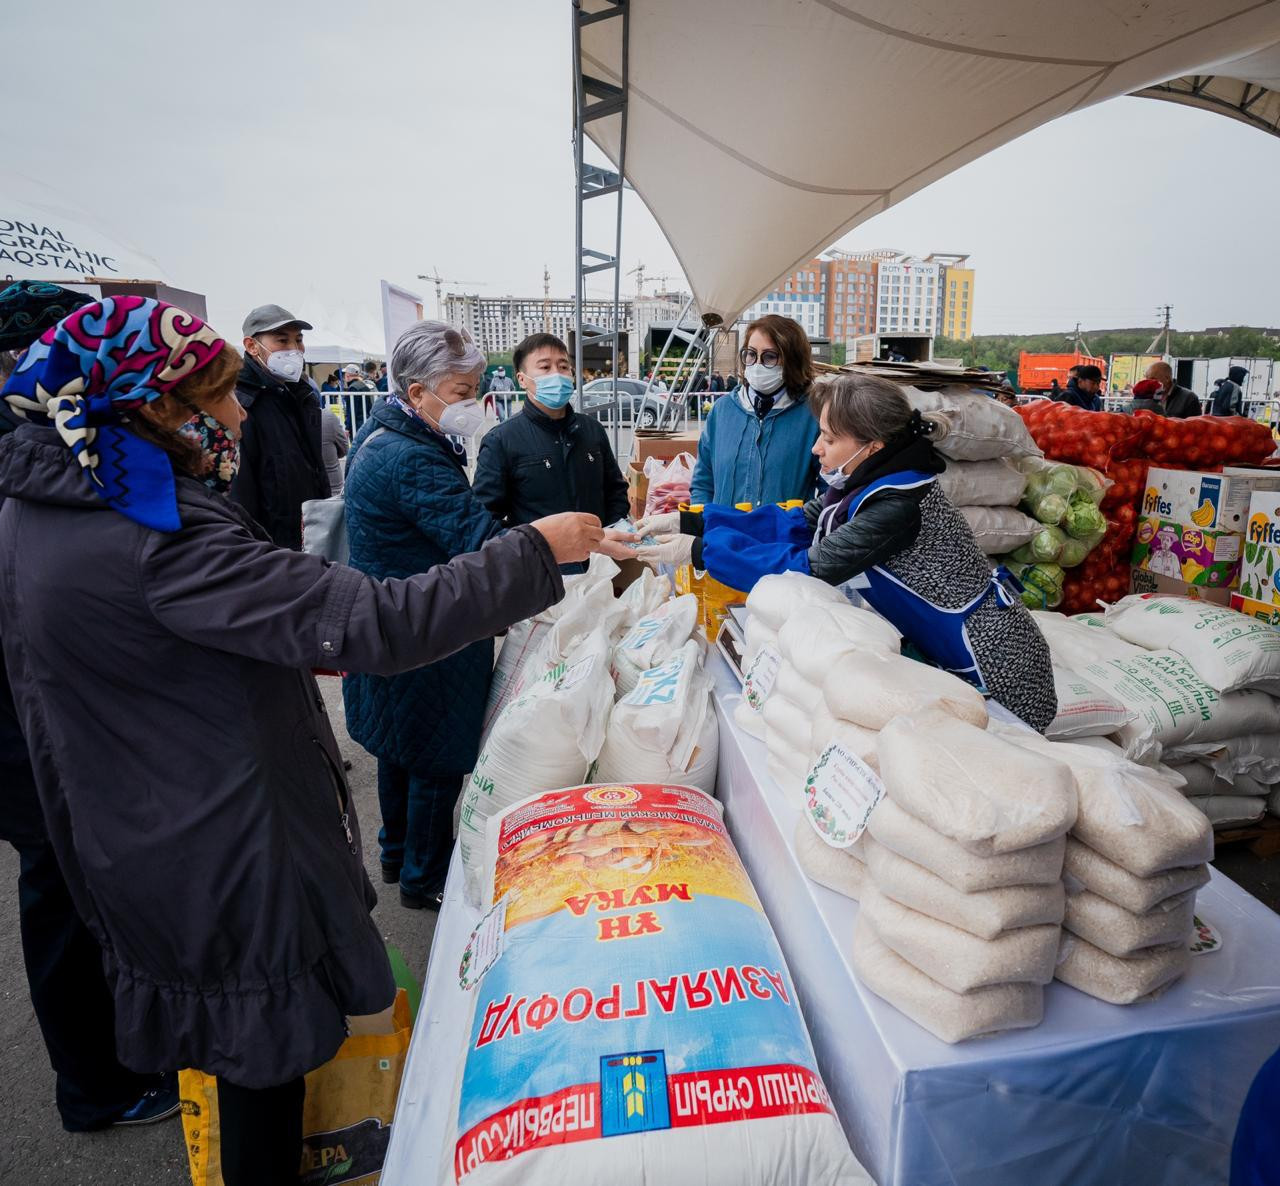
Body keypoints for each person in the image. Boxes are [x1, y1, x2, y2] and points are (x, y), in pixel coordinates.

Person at [0, 296, 607, 1185]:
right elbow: (371, 622)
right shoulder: (149, 535)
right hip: (209, 831)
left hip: (136, 807)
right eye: (212, 399)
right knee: (262, 1056)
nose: (239, 412)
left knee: (240, 1041)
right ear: (145, 409)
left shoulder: (52, 500)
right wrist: (534, 553)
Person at [0, 282, 180, 1134]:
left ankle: (125, 1055)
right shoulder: (33, 452)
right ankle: (98, 1084)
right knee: (68, 893)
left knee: (87, 884)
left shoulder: (41, 443)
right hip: (28, 720)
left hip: (49, 707)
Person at [635, 371, 1056, 731]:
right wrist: (696, 521)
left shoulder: (897, 506)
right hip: (946, 648)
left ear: (872, 445)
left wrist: (703, 552)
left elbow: (807, 570)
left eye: (830, 438)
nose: (817, 448)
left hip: (992, 661)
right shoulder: (863, 482)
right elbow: (796, 523)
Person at [472, 333, 630, 546]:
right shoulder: (500, 440)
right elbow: (486, 516)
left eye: (563, 367)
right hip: (540, 567)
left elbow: (615, 490)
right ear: (522, 379)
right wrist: (531, 549)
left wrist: (610, 532)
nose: (557, 374)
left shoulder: (592, 429)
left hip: (600, 561)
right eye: (545, 367)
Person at [690, 314, 820, 506]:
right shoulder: (722, 411)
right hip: (722, 533)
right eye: (751, 354)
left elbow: (830, 490)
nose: (757, 364)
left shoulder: (813, 416)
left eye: (770, 356)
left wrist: (799, 524)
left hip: (781, 535)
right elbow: (703, 482)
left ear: (792, 361)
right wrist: (704, 524)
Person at [228, 304, 330, 549]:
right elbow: (241, 495)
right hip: (272, 545)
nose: (294, 349)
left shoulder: (299, 394)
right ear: (252, 346)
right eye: (282, 341)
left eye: (298, 340)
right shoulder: (241, 404)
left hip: (309, 534)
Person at [320, 404, 350, 496]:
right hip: (332, 488)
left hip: (302, 492)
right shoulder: (328, 417)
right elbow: (344, 449)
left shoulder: (287, 421)